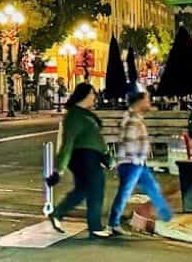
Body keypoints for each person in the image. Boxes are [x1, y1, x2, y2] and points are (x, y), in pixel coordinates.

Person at [47, 82, 112, 239]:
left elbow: (96, 139)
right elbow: (68, 143)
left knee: (83, 190)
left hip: (90, 156)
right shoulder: (75, 116)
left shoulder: (85, 114)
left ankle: (58, 213)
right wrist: (59, 170)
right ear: (84, 95)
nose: (94, 97)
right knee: (96, 189)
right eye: (92, 94)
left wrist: (107, 156)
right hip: (84, 158)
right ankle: (95, 226)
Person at [107, 88, 172, 235]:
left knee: (151, 188)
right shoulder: (131, 119)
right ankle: (113, 223)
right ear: (140, 101)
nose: (150, 102)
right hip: (131, 163)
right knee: (125, 193)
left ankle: (166, 216)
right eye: (147, 99)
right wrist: (137, 162)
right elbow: (129, 143)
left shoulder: (135, 118)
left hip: (135, 163)